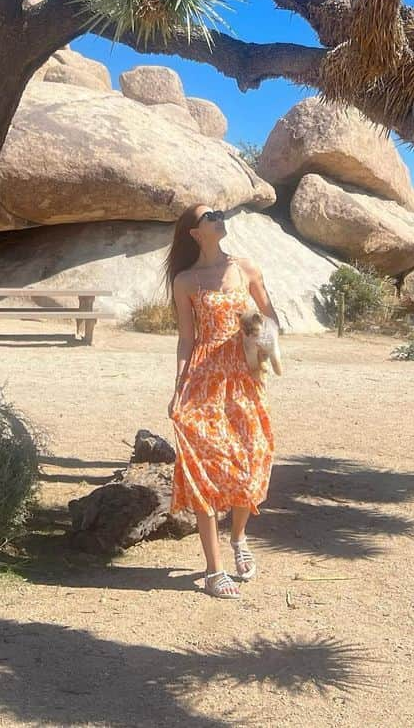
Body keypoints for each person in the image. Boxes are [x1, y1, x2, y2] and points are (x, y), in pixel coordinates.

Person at [166, 203, 278, 599]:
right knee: (203, 468)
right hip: (203, 377)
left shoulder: (246, 268)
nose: (218, 216)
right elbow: (186, 339)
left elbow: (270, 319)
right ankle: (214, 570)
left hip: (242, 377)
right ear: (196, 233)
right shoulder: (186, 281)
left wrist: (257, 340)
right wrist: (179, 385)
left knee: (253, 456)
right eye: (208, 215)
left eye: (218, 212)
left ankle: (240, 539)